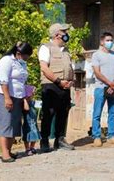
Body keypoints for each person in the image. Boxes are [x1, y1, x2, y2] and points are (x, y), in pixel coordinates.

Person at [38, 23, 75, 152]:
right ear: (57, 35)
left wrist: (70, 81)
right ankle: (44, 141)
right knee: (49, 113)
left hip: (65, 86)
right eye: (64, 32)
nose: (67, 34)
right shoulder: (45, 47)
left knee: (63, 112)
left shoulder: (66, 50)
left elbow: (70, 68)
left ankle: (60, 140)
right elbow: (44, 67)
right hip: (51, 85)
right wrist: (58, 81)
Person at [0, 42, 33, 162]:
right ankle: (4, 154)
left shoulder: (21, 63)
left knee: (14, 124)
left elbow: (21, 81)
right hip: (5, 95)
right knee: (5, 123)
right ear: (18, 53)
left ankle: (9, 151)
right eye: (26, 56)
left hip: (18, 97)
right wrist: (7, 97)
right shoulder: (6, 60)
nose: (27, 58)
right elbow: (3, 80)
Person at [91, 32, 114, 147]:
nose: (110, 42)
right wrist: (109, 83)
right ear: (102, 42)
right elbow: (97, 73)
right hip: (100, 87)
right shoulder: (96, 55)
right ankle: (96, 136)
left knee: (112, 113)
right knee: (97, 113)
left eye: (111, 40)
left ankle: (111, 135)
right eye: (108, 40)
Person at [22, 85, 41, 156]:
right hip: (28, 123)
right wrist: (24, 99)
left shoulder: (32, 101)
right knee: (27, 136)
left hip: (34, 122)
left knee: (35, 135)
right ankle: (27, 149)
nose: (34, 94)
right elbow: (26, 109)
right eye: (32, 93)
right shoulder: (24, 102)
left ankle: (32, 147)